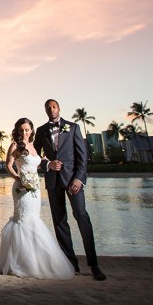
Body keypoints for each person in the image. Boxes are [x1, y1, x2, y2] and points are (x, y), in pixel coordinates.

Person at [0, 117, 76, 279]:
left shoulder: (33, 146)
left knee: (34, 219)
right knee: (23, 220)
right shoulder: (14, 145)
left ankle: (34, 261)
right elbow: (8, 165)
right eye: (21, 130)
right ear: (17, 131)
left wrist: (48, 164)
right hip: (21, 189)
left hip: (35, 189)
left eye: (27, 129)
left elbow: (37, 164)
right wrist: (18, 179)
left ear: (31, 131)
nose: (24, 132)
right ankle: (20, 263)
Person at [34, 99, 106, 281]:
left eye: (54, 106)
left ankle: (94, 264)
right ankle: (71, 263)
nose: (51, 109)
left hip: (73, 181)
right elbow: (35, 156)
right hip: (53, 181)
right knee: (59, 222)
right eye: (48, 107)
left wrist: (78, 180)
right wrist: (48, 163)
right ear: (45, 110)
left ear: (59, 108)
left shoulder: (73, 127)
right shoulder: (41, 131)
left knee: (82, 216)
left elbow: (82, 156)